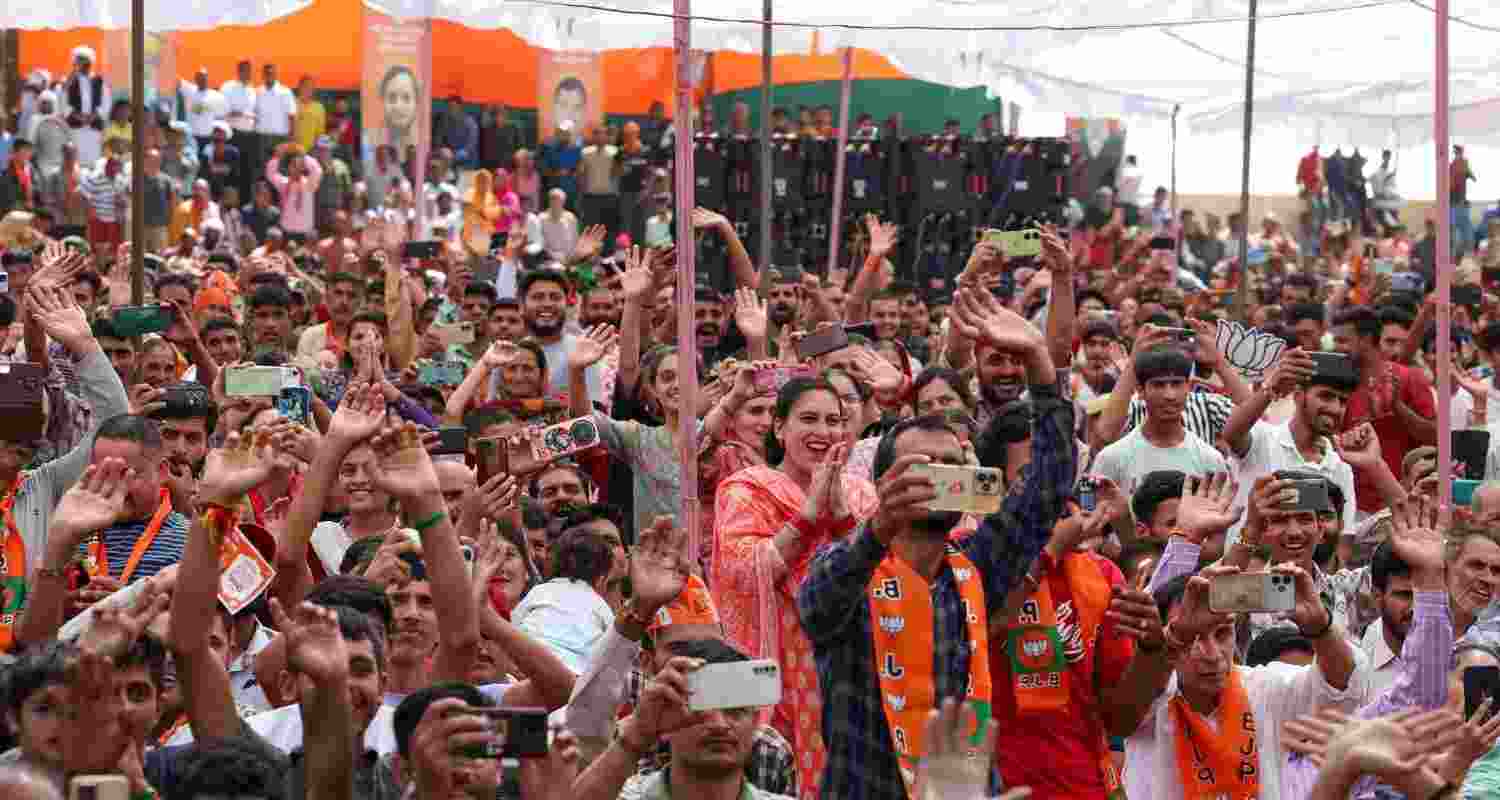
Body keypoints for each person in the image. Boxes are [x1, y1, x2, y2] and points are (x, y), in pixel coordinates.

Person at [796, 286, 1076, 800]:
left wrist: (1039, 362)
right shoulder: (852, 568)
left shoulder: (975, 567)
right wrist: (880, 527)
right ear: (884, 483)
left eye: (950, 464)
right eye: (920, 466)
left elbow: (1048, 488)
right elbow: (816, 606)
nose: (936, 477)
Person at [62, 46, 110, 166]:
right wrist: (77, 116)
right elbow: (62, 102)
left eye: (85, 60)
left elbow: (106, 103)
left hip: (93, 129)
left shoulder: (99, 80)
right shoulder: (69, 81)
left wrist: (93, 116)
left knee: (93, 162)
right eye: (79, 60)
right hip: (75, 128)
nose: (83, 63)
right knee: (76, 161)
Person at [370, 65, 421, 163]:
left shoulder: (420, 140)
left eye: (406, 97)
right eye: (392, 97)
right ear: (382, 100)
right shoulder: (371, 141)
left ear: (416, 101)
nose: (398, 106)